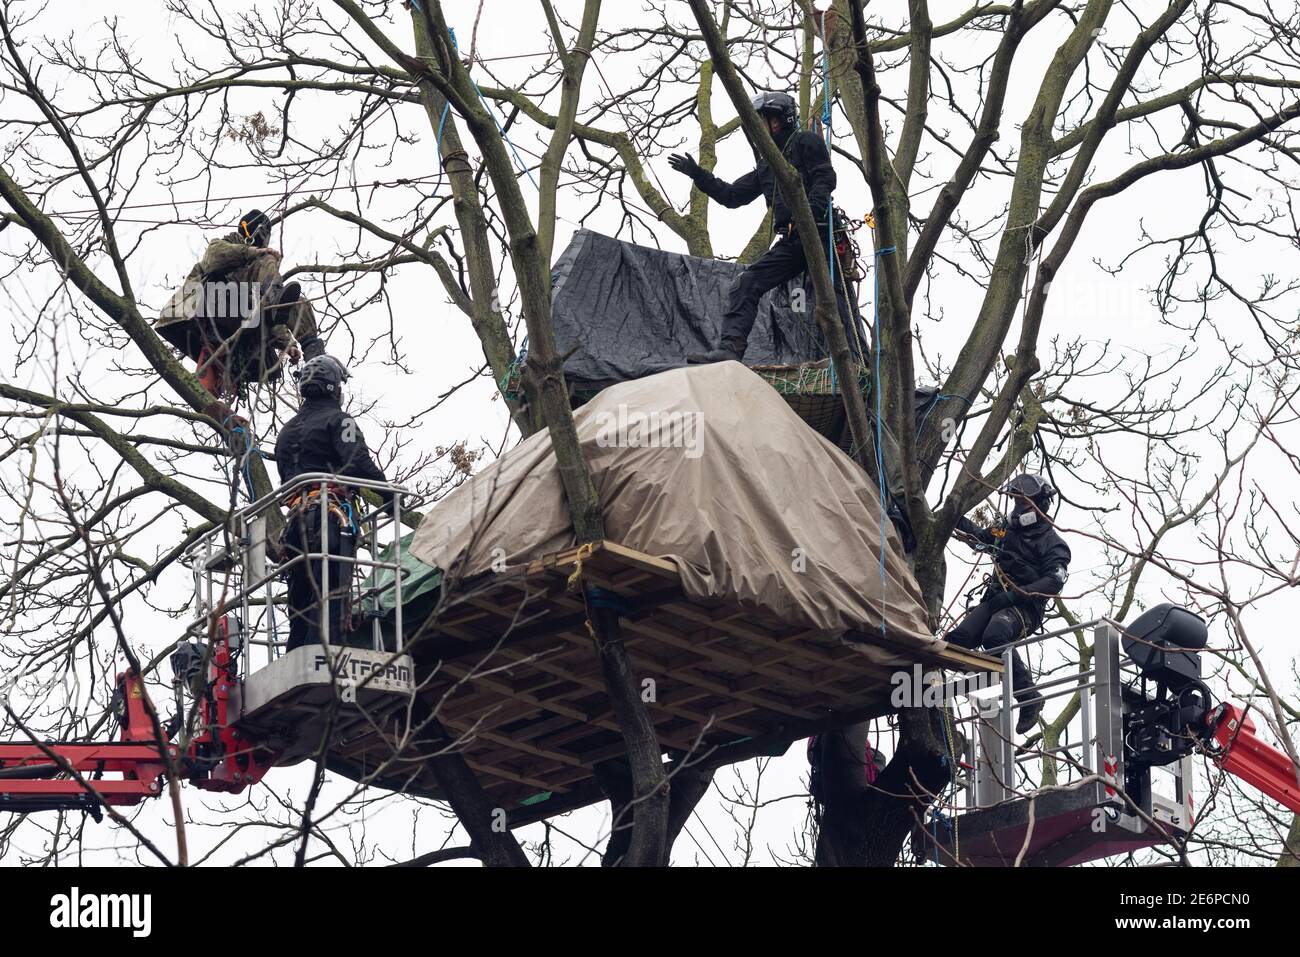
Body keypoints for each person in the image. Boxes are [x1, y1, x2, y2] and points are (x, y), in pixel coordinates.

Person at [667, 91, 860, 363]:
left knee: (832, 299)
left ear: (782, 119)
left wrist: (811, 214)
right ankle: (730, 349)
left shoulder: (806, 142)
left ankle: (849, 359)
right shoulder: (767, 165)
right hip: (792, 242)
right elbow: (732, 196)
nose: (761, 127)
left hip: (820, 233)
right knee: (747, 282)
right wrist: (698, 174)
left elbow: (824, 178)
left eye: (766, 120)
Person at [273, 354, 391, 651]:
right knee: (332, 599)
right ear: (336, 388)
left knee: (300, 605)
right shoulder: (341, 421)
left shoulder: (285, 432)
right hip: (330, 522)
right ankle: (329, 663)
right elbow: (359, 461)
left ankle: (297, 659)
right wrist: (392, 499)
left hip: (296, 528)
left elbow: (287, 478)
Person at [948, 474, 1071, 735]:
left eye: (1022, 502)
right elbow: (978, 536)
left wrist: (1017, 594)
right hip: (995, 600)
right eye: (1015, 501)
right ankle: (928, 692)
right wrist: (953, 515)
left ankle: (1028, 697)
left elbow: (1053, 582)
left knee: (996, 636)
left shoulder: (1053, 542)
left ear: (1039, 505)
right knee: (956, 641)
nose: (1017, 508)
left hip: (1024, 607)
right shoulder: (1005, 532)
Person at [155, 209, 322, 397]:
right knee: (267, 264)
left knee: (296, 303)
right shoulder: (222, 246)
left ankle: (315, 356)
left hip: (239, 314)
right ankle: (273, 299)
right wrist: (254, 252)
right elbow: (215, 258)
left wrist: (287, 343)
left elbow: (268, 308)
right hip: (208, 304)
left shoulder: (255, 276)